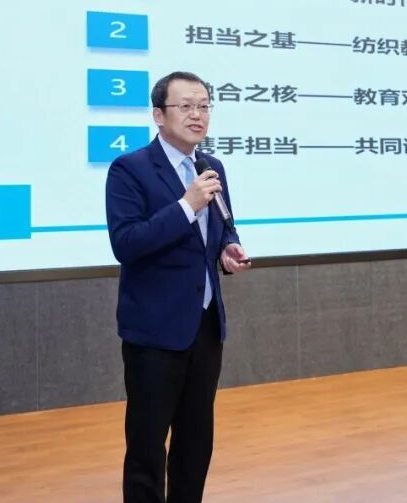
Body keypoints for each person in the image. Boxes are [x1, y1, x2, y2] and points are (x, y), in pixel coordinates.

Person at [105, 71, 251, 503]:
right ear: (158, 115)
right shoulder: (130, 169)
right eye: (185, 106)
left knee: (196, 441)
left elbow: (221, 228)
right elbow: (126, 243)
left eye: (204, 106)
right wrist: (186, 205)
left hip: (204, 326)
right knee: (148, 445)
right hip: (154, 331)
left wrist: (227, 249)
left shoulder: (211, 167)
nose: (197, 115)